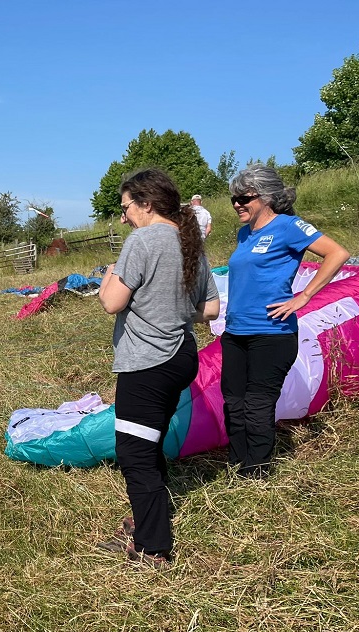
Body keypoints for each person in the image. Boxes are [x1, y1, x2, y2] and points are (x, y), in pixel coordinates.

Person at [97, 169, 220, 569]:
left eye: (126, 207)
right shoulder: (191, 244)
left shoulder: (143, 240)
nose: (123, 217)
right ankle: (147, 519)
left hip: (147, 363)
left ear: (146, 204)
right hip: (182, 355)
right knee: (148, 444)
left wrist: (108, 274)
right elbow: (211, 309)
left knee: (133, 453)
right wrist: (173, 309)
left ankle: (153, 546)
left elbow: (112, 302)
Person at [222, 163, 350, 478]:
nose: (237, 204)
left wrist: (303, 297)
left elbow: (337, 253)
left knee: (257, 405)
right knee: (233, 403)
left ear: (265, 197)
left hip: (272, 333)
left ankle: (257, 473)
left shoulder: (290, 226)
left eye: (244, 197)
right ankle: (237, 466)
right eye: (233, 199)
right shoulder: (244, 233)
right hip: (236, 332)